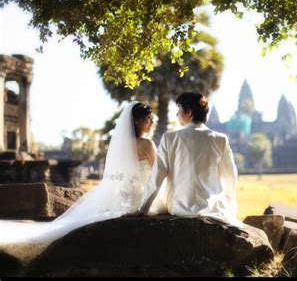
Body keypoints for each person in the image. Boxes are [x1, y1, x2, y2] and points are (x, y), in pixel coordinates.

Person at [0, 101, 155, 247]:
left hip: (120, 200)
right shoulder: (147, 145)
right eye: (148, 118)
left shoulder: (119, 146)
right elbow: (157, 173)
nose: (152, 122)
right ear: (136, 120)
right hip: (139, 201)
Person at [139, 92, 242, 227]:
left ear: (189, 113)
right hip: (210, 208)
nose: (176, 115)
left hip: (178, 207)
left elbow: (157, 176)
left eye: (179, 110)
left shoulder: (169, 138)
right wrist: (229, 204)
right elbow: (230, 176)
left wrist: (142, 209)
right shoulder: (220, 139)